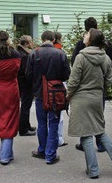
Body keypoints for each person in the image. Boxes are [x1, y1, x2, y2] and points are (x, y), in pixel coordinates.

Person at [67, 28, 112, 179]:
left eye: (87, 34)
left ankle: (93, 170)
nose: (84, 35)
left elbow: (74, 80)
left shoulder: (80, 57)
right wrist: (100, 87)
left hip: (80, 98)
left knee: (85, 134)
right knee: (99, 130)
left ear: (90, 40)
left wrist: (68, 94)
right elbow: (110, 79)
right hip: (97, 97)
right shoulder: (105, 58)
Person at [26, 30, 70, 164]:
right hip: (55, 94)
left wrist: (37, 84)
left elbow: (28, 75)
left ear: (42, 38)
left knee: (41, 123)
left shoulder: (34, 53)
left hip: (40, 93)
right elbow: (66, 75)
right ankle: (50, 154)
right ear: (53, 40)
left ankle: (42, 150)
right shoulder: (60, 53)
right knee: (54, 123)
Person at [71, 17, 112, 153]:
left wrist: (70, 93)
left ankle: (85, 145)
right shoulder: (105, 45)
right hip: (98, 88)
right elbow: (111, 63)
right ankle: (101, 145)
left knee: (84, 119)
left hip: (82, 90)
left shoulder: (81, 47)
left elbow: (74, 66)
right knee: (98, 116)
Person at [0, 30, 21, 165]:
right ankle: (6, 153)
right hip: (12, 88)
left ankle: (6, 153)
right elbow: (18, 69)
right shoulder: (15, 54)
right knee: (11, 119)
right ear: (8, 40)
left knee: (0, 119)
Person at [17, 35, 36, 136]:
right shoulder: (25, 55)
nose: (32, 43)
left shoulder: (21, 53)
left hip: (22, 82)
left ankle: (26, 125)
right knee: (25, 105)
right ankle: (23, 128)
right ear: (26, 44)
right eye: (31, 42)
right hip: (25, 83)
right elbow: (26, 72)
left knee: (26, 105)